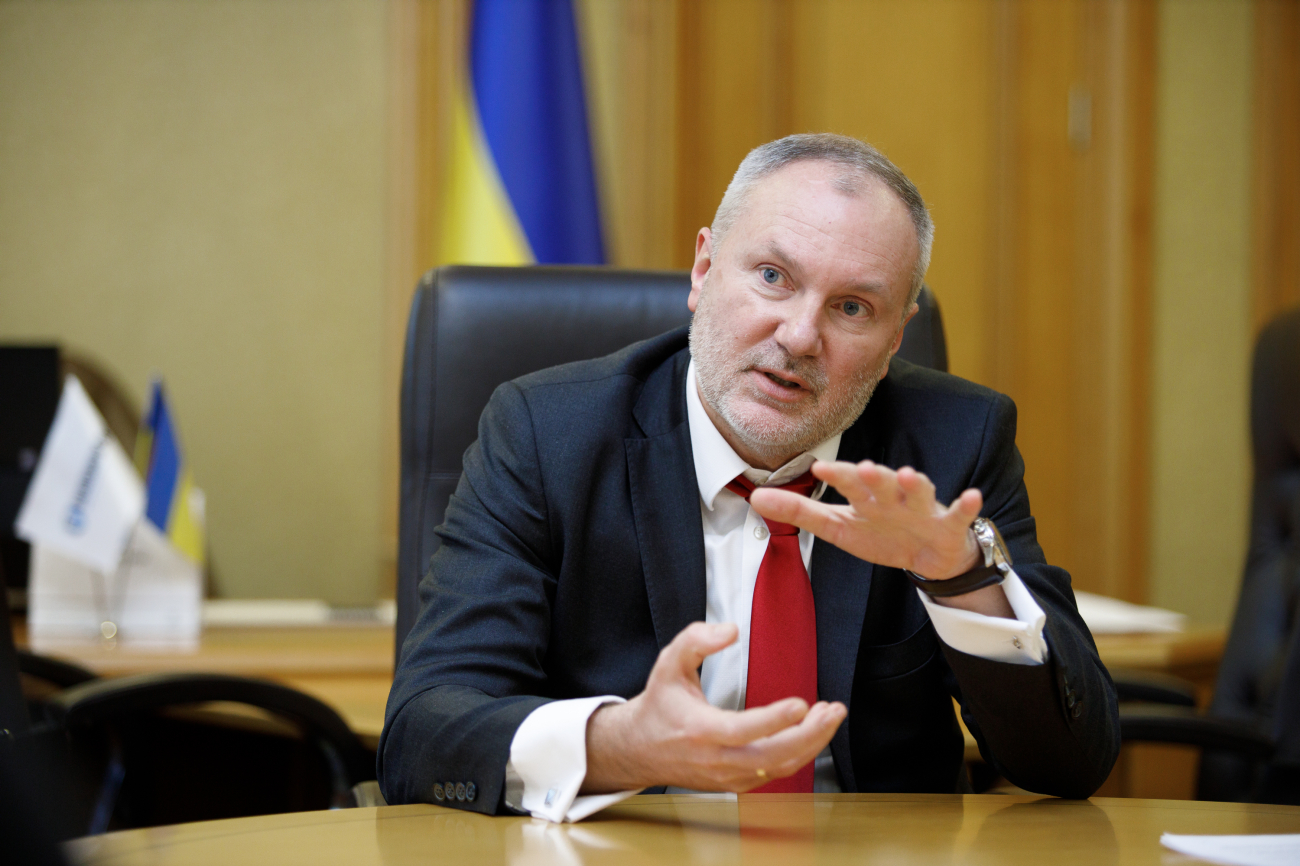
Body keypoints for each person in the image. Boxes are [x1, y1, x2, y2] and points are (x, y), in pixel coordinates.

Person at [378, 134, 1120, 820]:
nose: (799, 336)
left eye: (852, 307)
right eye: (772, 277)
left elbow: (1070, 763)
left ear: (896, 337)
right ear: (703, 270)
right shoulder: (548, 435)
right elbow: (422, 735)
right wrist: (620, 745)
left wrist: (961, 581)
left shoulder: (951, 446)